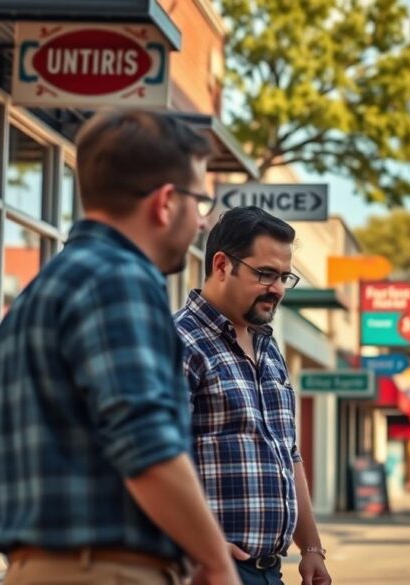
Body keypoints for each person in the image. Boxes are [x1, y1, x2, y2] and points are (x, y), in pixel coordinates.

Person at [0, 110, 239, 585]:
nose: (204, 220)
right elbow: (147, 445)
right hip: (106, 571)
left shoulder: (41, 291)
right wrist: (214, 559)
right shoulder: (120, 278)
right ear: (166, 202)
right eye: (199, 200)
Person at [174, 207, 332, 585]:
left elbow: (288, 452)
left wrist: (311, 548)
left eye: (283, 277)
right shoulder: (179, 342)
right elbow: (156, 455)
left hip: (269, 571)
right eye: (265, 273)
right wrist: (196, 545)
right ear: (222, 265)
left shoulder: (269, 349)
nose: (276, 288)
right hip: (209, 570)